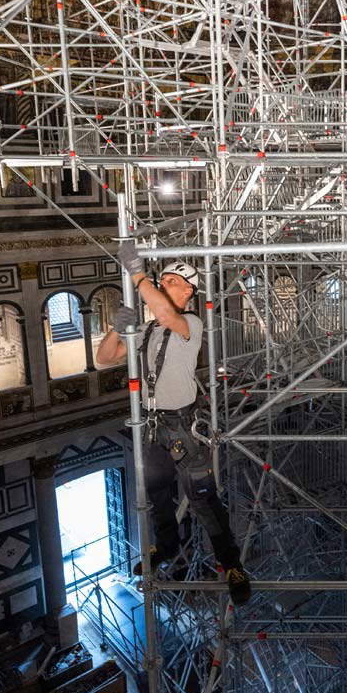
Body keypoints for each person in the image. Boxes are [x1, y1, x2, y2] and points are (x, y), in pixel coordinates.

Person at [96, 245, 251, 606]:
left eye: (171, 281)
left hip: (182, 427)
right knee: (156, 494)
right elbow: (104, 360)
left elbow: (165, 314)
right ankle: (166, 546)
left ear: (188, 292)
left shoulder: (189, 324)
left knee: (203, 501)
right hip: (152, 428)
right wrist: (117, 331)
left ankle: (232, 566)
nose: (163, 285)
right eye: (161, 279)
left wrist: (138, 275)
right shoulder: (149, 329)